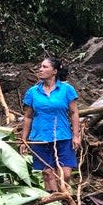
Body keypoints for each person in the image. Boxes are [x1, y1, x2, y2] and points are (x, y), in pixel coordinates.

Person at [19, 56, 81, 193]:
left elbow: (74, 113)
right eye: (40, 67)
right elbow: (28, 117)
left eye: (44, 67)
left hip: (63, 136)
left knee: (66, 174)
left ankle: (63, 197)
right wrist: (24, 139)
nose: (40, 70)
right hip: (39, 138)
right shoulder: (33, 92)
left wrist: (76, 136)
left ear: (54, 71)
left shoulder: (67, 89)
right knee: (47, 173)